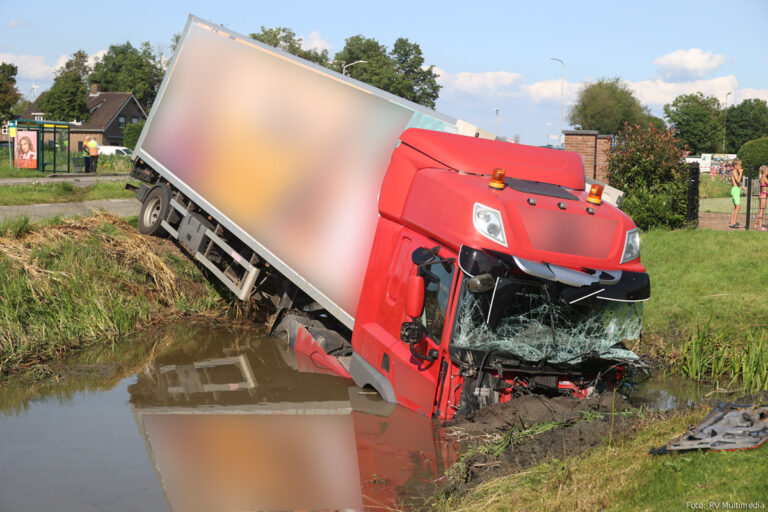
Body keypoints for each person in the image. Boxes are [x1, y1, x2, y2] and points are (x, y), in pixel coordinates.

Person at [728, 159, 744, 229]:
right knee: (738, 207)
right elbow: (738, 180)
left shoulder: (734, 171)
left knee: (735, 207)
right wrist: (740, 173)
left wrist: (740, 187)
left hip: (736, 189)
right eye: (739, 165)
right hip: (735, 191)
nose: (740, 167)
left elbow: (736, 183)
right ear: (735, 166)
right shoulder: (734, 171)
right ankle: (733, 223)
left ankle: (732, 223)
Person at [756, 165, 768, 231]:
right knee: (762, 211)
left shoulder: (761, 177)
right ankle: (760, 226)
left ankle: (756, 225)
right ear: (765, 171)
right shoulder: (764, 178)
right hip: (763, 196)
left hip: (762, 195)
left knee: (760, 210)